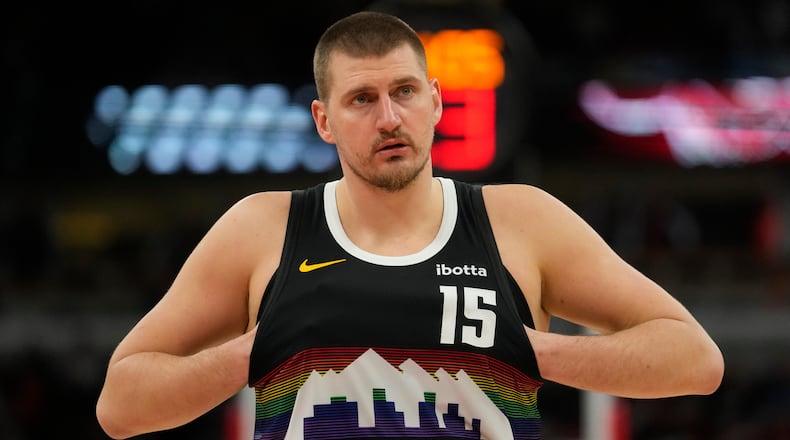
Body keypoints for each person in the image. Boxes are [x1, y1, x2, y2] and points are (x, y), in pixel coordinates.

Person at [96, 10, 724, 440]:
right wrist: (251, 351)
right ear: (323, 120)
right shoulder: (264, 226)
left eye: (405, 92)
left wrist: (528, 349)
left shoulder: (519, 219)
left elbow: (694, 360)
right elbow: (120, 406)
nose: (389, 118)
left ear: (436, 100)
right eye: (362, 99)